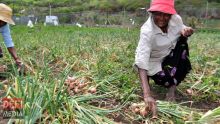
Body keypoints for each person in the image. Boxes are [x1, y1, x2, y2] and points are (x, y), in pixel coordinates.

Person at [134, 0, 194, 118]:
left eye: (166, 14)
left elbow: (180, 27)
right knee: (165, 79)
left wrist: (186, 30)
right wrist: (147, 94)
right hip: (154, 61)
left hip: (170, 54)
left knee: (182, 46)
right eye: (158, 14)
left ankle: (172, 89)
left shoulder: (176, 19)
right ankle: (164, 82)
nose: (162, 18)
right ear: (152, 13)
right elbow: (142, 61)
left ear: (171, 15)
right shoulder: (147, 31)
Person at [0, 3, 22, 70]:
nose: (2, 23)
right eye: (1, 21)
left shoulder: (4, 25)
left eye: (4, 21)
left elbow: (9, 42)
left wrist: (16, 58)